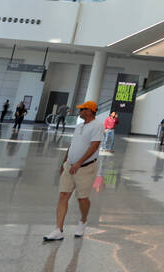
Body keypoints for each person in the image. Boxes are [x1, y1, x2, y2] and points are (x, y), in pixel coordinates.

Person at [42, 101, 105, 241]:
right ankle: (58, 229)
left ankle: (83, 220)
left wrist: (79, 163)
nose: (80, 111)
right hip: (69, 166)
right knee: (63, 195)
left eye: (82, 109)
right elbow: (73, 145)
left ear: (90, 111)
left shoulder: (97, 126)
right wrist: (65, 161)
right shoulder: (79, 126)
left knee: (82, 198)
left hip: (85, 168)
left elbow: (94, 147)